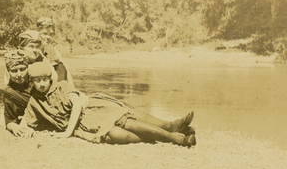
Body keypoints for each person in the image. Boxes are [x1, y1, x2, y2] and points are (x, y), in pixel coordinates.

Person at [19, 61, 196, 147]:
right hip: (82, 126)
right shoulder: (34, 101)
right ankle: (167, 133)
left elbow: (77, 106)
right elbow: (27, 120)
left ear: (50, 79)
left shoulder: (62, 86)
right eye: (37, 81)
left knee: (124, 120)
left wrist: (67, 132)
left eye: (44, 79)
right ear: (32, 82)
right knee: (115, 135)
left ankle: (174, 134)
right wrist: (19, 128)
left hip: (90, 111)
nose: (41, 84)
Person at [36, 18, 74, 84]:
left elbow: (64, 65)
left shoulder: (50, 48)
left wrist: (72, 87)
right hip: (37, 79)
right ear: (38, 33)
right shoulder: (32, 47)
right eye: (45, 33)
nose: (48, 37)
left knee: (61, 66)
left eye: (51, 34)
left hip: (48, 79)